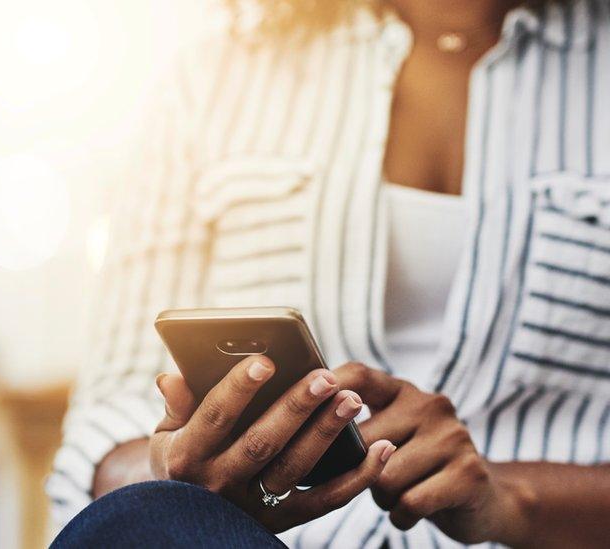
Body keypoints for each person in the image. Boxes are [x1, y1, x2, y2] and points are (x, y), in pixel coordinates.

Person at [47, 0, 610, 547]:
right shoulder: (214, 79)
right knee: (139, 521)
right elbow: (105, 423)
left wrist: (513, 497)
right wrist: (175, 474)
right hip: (256, 540)